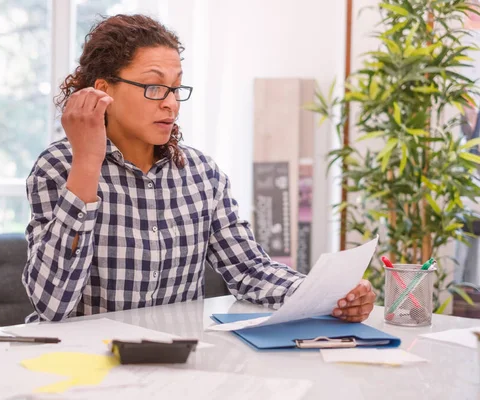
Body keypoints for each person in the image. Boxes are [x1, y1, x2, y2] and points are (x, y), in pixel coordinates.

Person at [21, 14, 376, 323]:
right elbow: (53, 305)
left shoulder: (201, 173)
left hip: (174, 366)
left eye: (176, 88)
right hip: (81, 368)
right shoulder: (58, 167)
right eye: (155, 87)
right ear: (102, 91)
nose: (171, 104)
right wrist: (86, 161)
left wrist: (330, 297)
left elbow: (250, 271)